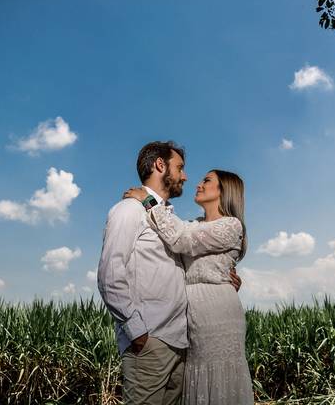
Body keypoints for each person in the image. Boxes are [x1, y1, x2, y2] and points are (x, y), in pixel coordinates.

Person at [97, 141, 241, 405]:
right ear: (160, 165)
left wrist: (223, 275)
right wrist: (136, 331)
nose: (185, 176)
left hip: (182, 341)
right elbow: (109, 275)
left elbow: (188, 247)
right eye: (180, 168)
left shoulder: (171, 218)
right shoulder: (129, 209)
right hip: (150, 339)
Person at [123, 169, 254, 405]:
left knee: (219, 376)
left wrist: (148, 201)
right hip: (191, 316)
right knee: (196, 376)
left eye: (206, 181)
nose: (198, 184)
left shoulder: (231, 225)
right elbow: (176, 238)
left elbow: (181, 239)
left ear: (224, 190)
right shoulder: (193, 224)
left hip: (218, 313)